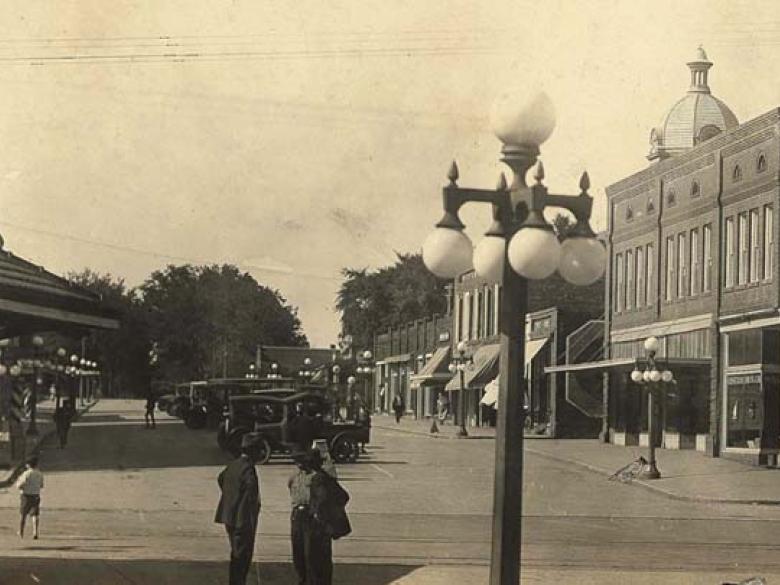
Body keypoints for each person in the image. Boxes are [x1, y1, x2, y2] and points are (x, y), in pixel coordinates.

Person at [215, 433, 263, 585]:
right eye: (258, 451)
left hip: (229, 517)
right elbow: (251, 494)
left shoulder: (233, 464)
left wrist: (231, 496)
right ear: (252, 451)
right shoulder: (249, 469)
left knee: (236, 553)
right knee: (242, 557)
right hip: (243, 520)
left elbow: (221, 478)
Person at [288, 449, 338, 585]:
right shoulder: (295, 477)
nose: (298, 464)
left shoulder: (320, 477)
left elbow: (340, 496)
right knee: (299, 555)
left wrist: (319, 512)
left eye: (301, 461)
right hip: (298, 516)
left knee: (313, 557)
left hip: (313, 518)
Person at [16, 457, 44, 540]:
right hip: (36, 495)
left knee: (23, 514)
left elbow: (21, 484)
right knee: (35, 514)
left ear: (28, 465)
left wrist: (20, 487)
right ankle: (35, 532)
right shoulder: (39, 474)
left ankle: (21, 531)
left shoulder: (26, 473)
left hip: (26, 495)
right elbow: (41, 485)